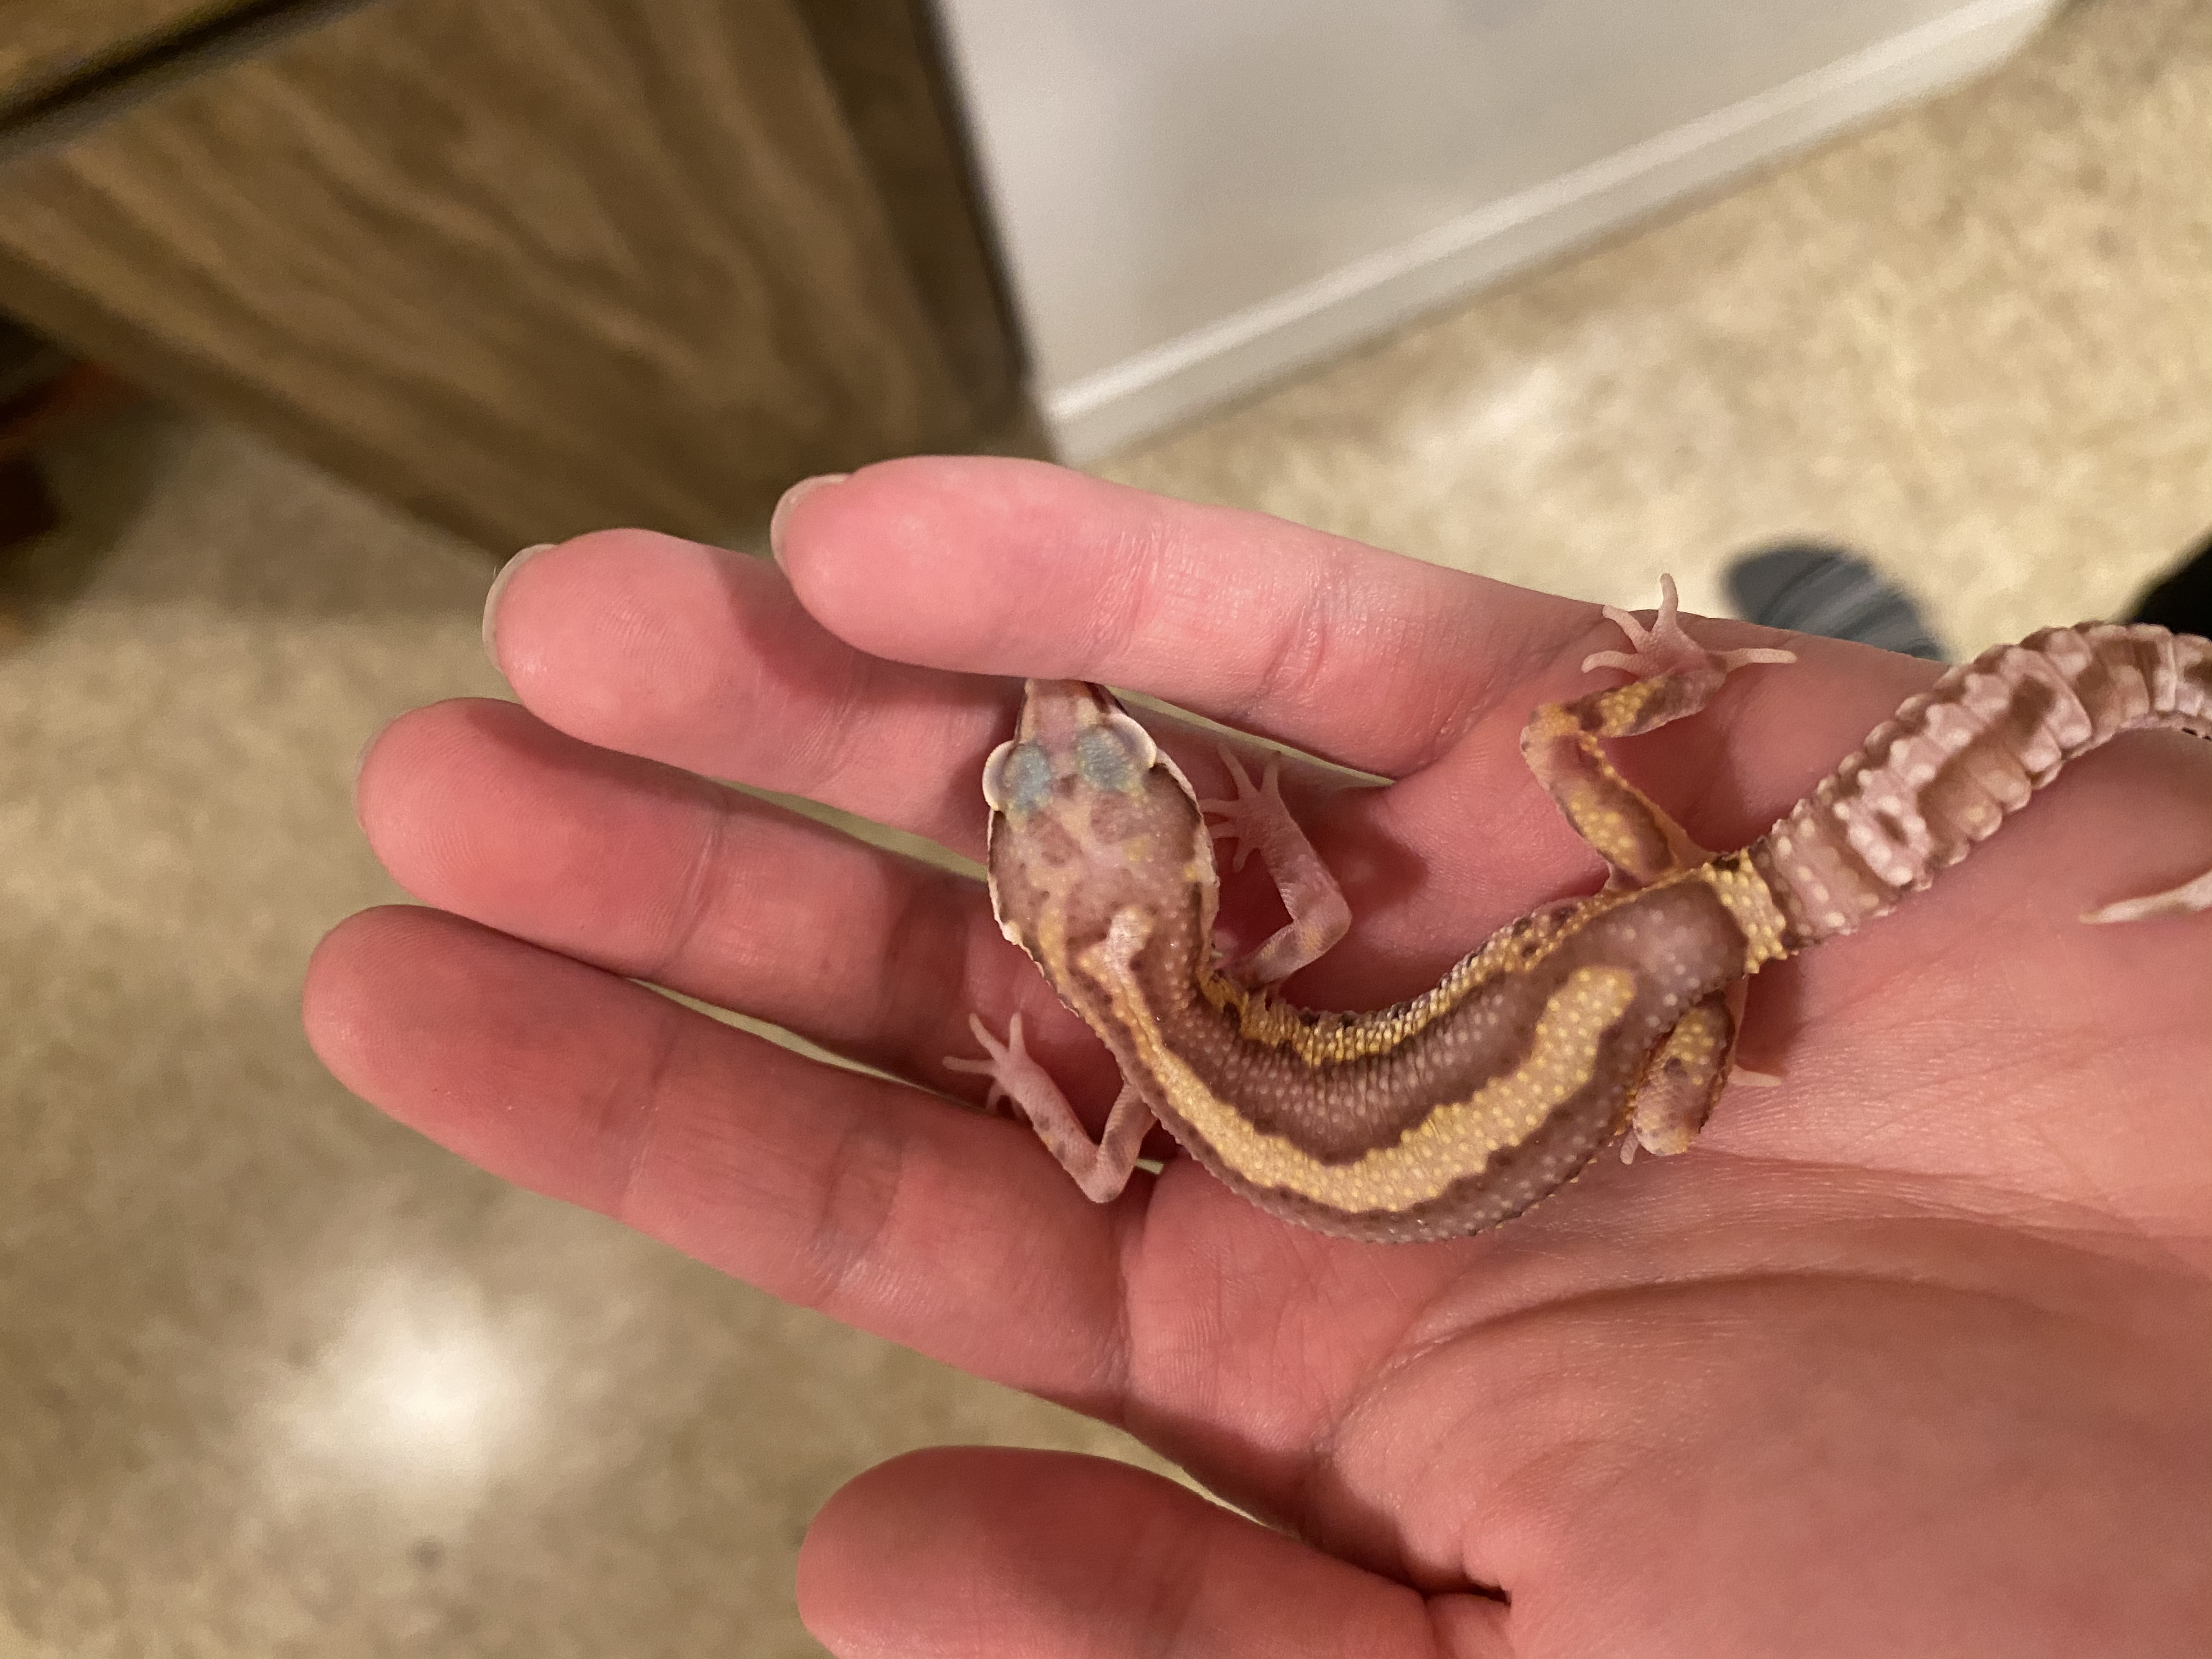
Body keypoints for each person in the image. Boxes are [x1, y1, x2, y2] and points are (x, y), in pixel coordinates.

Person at [306, 458, 2212, 1657]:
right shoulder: (1245, 971)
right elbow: (1291, 930)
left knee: (1744, 949)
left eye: (1072, 772)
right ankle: (1868, 684)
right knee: (1610, 777)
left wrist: (1043, 1080)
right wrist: (1234, 854)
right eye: (1057, 778)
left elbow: (1088, 1162)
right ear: (1150, 882)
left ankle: (2093, 691)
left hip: (1677, 1016)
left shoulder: (1168, 1085)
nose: (1069, 729)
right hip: (1669, 950)